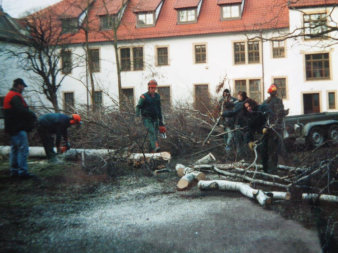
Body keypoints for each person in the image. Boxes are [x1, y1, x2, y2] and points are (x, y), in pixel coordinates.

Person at [3, 78, 37, 178]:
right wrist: (32, 115)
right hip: (18, 128)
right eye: (22, 86)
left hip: (12, 128)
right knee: (23, 149)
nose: (23, 88)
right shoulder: (15, 96)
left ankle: (14, 171)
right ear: (18, 85)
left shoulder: (10, 95)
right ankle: (22, 172)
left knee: (15, 149)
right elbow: (21, 111)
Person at [243, 98, 276, 173]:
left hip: (271, 132)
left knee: (273, 152)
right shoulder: (249, 116)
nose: (249, 108)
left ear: (252, 104)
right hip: (262, 135)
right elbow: (250, 129)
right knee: (264, 151)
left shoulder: (261, 107)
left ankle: (274, 169)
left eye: (249, 106)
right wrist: (249, 141)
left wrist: (266, 127)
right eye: (247, 107)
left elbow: (270, 116)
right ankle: (266, 171)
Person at [136, 79, 165, 152]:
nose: (153, 89)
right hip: (147, 118)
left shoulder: (157, 96)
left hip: (155, 118)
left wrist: (161, 122)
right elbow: (138, 106)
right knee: (151, 132)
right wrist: (137, 116)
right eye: (151, 88)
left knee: (155, 134)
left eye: (154, 88)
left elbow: (159, 109)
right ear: (148, 88)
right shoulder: (144, 96)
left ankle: (151, 150)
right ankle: (155, 147)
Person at [221, 91, 249, 157]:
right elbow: (233, 104)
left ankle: (240, 155)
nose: (237, 97)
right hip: (243, 124)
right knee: (240, 140)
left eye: (239, 96)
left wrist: (223, 114)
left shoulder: (241, 104)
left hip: (239, 124)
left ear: (242, 97)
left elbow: (234, 112)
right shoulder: (242, 102)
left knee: (238, 140)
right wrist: (227, 103)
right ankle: (242, 154)